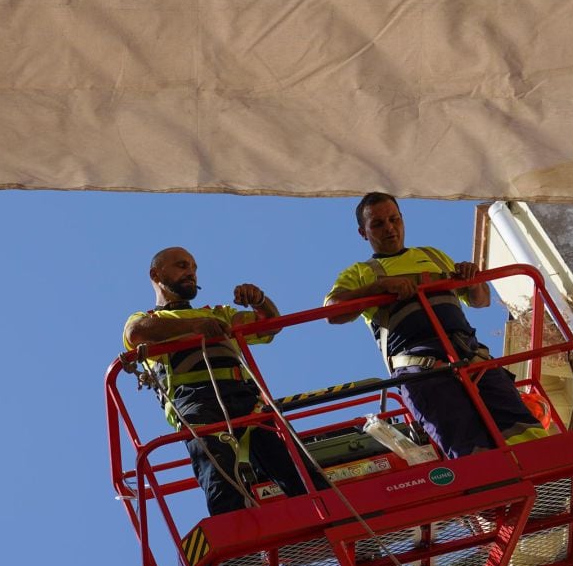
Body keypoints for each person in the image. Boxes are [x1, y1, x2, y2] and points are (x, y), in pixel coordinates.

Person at [325, 193, 547, 458]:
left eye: (394, 219)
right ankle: (493, 492)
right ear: (364, 232)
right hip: (421, 369)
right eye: (378, 224)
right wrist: (379, 287)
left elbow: (480, 300)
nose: (390, 228)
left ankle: (549, 478)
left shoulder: (433, 256)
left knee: (521, 427)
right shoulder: (361, 273)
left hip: (472, 356)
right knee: (465, 441)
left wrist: (472, 278)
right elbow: (333, 312)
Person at [123, 247, 329, 520]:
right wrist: (194, 327)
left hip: (246, 399)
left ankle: (349, 533)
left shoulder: (219, 315)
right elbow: (135, 333)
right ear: (156, 274)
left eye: (194, 268)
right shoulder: (150, 319)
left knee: (297, 467)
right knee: (219, 478)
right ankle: (242, 560)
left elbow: (270, 325)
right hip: (196, 404)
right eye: (182, 266)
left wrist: (260, 299)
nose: (191, 273)